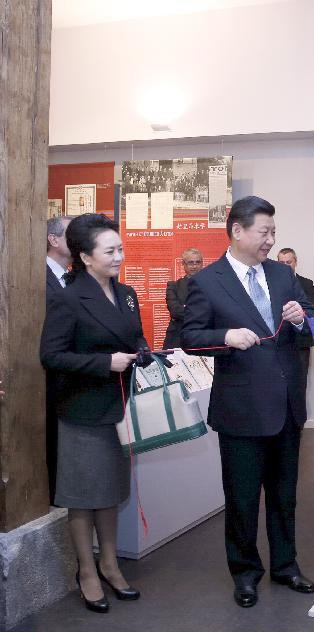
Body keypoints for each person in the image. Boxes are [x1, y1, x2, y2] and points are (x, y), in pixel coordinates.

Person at [181, 196, 314, 608]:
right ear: (238, 231)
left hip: (287, 407)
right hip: (241, 411)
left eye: (274, 232)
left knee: (284, 495)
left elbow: (309, 325)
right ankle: (244, 573)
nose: (270, 240)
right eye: (264, 232)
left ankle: (286, 566)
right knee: (242, 500)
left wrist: (301, 318)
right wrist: (225, 337)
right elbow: (190, 336)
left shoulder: (282, 275)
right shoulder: (206, 281)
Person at [39, 213, 144, 614]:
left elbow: (134, 336)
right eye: (110, 251)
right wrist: (104, 363)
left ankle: (110, 564)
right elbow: (51, 356)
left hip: (118, 408)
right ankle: (87, 572)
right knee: (84, 497)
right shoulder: (66, 298)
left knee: (112, 492)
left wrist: (145, 354)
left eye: (120, 249)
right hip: (82, 411)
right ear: (85, 256)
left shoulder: (127, 293)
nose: (119, 257)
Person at [45, 215, 74, 501]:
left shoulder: (73, 277)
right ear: (54, 240)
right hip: (46, 380)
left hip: (70, 381)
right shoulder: (37, 276)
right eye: (70, 234)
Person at [276, 247, 314, 397]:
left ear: (295, 262)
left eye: (289, 262)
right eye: (282, 262)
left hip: (300, 341)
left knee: (299, 384)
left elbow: (309, 311)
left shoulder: (306, 284)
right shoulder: (270, 283)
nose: (286, 265)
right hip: (279, 341)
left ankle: (298, 420)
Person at [163, 247, 204, 349]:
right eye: (190, 263)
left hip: (204, 338)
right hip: (179, 338)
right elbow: (175, 311)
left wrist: (187, 307)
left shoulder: (212, 286)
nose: (194, 266)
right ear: (183, 264)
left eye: (197, 262)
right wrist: (203, 311)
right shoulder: (173, 286)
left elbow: (217, 310)